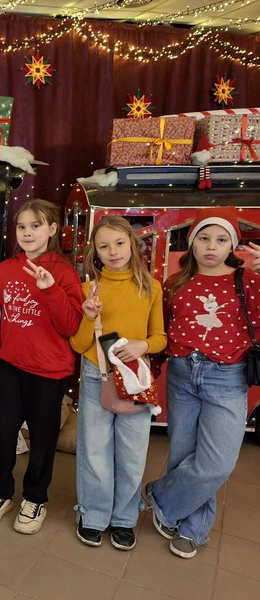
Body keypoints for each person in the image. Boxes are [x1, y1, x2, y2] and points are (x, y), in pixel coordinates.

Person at [145, 207, 259, 559]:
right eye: (204, 238)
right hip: (182, 372)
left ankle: (159, 496)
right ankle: (192, 528)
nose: (212, 246)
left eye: (221, 239)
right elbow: (163, 330)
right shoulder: (174, 283)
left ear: (233, 245)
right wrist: (151, 372)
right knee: (184, 453)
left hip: (228, 377)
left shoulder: (249, 281)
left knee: (217, 462)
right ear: (192, 243)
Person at [0, 199, 83, 534]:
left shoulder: (64, 272)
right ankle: (0, 493)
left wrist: (50, 289)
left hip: (50, 373)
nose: (27, 233)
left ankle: (35, 498)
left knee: (42, 440)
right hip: (11, 366)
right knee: (3, 435)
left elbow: (71, 326)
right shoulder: (5, 269)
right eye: (22, 226)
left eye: (35, 226)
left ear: (52, 229)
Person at [70, 216, 166, 550]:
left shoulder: (151, 287)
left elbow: (160, 337)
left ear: (132, 244)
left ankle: (124, 518)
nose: (113, 251)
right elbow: (78, 344)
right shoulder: (88, 289)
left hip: (135, 379)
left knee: (132, 453)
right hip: (97, 374)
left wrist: (144, 345)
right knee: (95, 450)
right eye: (104, 246)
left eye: (119, 243)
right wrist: (89, 316)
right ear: (94, 252)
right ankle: (93, 515)